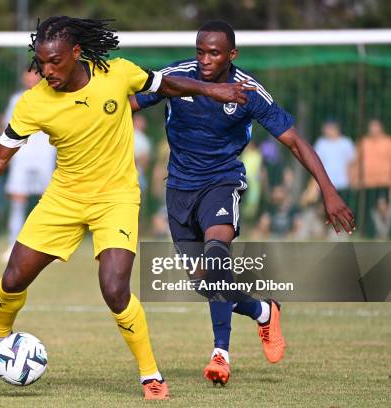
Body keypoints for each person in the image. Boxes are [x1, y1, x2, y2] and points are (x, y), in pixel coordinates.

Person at [0, 16, 252, 400]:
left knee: (115, 289)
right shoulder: (34, 102)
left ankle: (150, 375)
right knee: (13, 278)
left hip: (115, 199)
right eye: (41, 62)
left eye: (54, 62)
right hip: (63, 199)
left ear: (76, 53)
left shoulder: (116, 73)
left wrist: (210, 91)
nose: (46, 71)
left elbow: (166, 84)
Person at [132, 20, 355, 386]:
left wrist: (329, 191)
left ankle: (221, 354)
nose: (205, 59)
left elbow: (296, 142)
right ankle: (264, 311)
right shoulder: (176, 77)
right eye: (201, 50)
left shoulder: (249, 91)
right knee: (203, 281)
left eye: (214, 52)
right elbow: (126, 102)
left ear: (231, 55)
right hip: (179, 190)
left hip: (222, 182)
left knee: (217, 254)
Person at [2, 70, 56, 261]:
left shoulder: (53, 96)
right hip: (22, 156)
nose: (31, 79)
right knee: (18, 201)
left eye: (34, 75)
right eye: (28, 76)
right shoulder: (17, 99)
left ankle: (52, 247)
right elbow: (6, 126)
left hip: (45, 156)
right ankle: (13, 245)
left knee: (52, 202)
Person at [314, 120, 355, 195]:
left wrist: (352, 181)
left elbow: (351, 164)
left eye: (329, 128)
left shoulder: (346, 142)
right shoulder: (321, 143)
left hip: (343, 183)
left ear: (336, 129)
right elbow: (316, 164)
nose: (326, 131)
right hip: (325, 183)